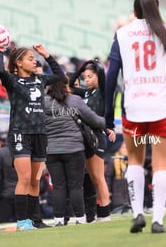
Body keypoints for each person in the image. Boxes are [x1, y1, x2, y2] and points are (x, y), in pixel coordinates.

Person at [105, 0, 166, 233]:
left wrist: (108, 112)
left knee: (134, 161)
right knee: (161, 165)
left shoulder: (122, 33)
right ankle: (157, 220)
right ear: (156, 9)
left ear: (135, 11)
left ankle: (137, 213)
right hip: (162, 107)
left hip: (133, 106)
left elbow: (110, 76)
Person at [0, 43, 64, 231]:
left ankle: (35, 220)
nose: (34, 61)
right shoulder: (12, 80)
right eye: (30, 58)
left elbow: (60, 76)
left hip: (40, 134)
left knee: (35, 180)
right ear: (19, 63)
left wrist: (47, 55)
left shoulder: (39, 79)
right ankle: (22, 221)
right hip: (20, 134)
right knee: (24, 177)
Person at [44, 75, 106, 226]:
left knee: (58, 186)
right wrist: (106, 123)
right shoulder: (74, 100)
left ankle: (59, 219)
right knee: (75, 186)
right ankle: (80, 218)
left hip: (52, 150)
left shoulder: (43, 102)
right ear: (66, 86)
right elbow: (95, 120)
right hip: (74, 149)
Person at [69, 60, 116, 223]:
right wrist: (82, 67)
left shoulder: (103, 91)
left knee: (98, 176)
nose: (86, 80)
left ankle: (104, 213)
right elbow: (69, 85)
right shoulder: (86, 93)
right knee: (93, 177)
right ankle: (100, 212)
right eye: (84, 77)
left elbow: (103, 79)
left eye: (90, 76)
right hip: (87, 137)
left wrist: (97, 68)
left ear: (98, 76)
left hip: (97, 137)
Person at [0, 145, 17, 223]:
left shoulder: (0, 153)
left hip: (4, 195)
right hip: (24, 194)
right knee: (23, 223)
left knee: (2, 224)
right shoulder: (27, 150)